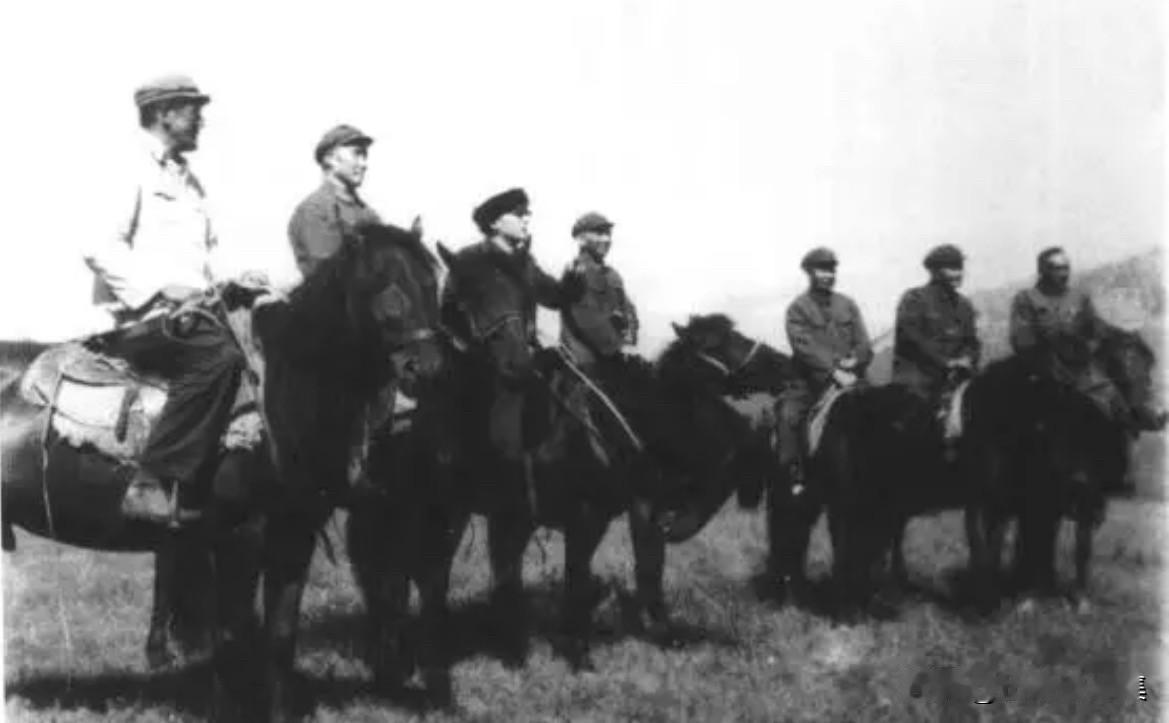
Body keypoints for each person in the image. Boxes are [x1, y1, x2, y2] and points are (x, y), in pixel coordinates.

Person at [82, 74, 246, 523]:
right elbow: (98, 247)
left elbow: (203, 262)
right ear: (163, 114)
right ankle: (150, 480)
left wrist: (234, 283)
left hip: (187, 317)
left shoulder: (191, 183)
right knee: (219, 359)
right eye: (194, 111)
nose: (202, 121)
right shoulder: (127, 166)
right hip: (136, 321)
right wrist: (160, 288)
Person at [440, 188, 583, 492]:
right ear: (494, 223)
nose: (526, 219)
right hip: (482, 360)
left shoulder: (525, 262)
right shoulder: (470, 259)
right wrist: (473, 346)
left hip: (523, 357)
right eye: (518, 215)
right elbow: (447, 311)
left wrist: (572, 285)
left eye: (526, 214)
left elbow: (552, 296)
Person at [1010, 246, 1133, 492]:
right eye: (1056, 268)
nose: (1063, 273)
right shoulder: (1026, 299)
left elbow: (1096, 328)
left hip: (1080, 367)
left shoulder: (1079, 297)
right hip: (1043, 367)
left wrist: (1102, 340)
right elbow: (1021, 339)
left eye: (1066, 267)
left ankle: (1116, 470)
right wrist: (1048, 353)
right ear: (1042, 270)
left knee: (1115, 404)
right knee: (1051, 411)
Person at [778, 247, 873, 482]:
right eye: (822, 271)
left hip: (853, 378)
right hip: (812, 383)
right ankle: (795, 475)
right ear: (809, 273)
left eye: (831, 270)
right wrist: (833, 371)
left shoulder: (847, 304)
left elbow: (863, 342)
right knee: (789, 416)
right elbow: (804, 347)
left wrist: (857, 358)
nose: (828, 276)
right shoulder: (798, 308)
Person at [287, 124, 382, 278]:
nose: (364, 164)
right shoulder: (314, 210)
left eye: (365, 156)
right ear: (330, 158)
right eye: (357, 154)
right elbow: (330, 277)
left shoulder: (369, 214)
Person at [892, 244, 981, 407]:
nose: (958, 274)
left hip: (955, 380)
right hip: (919, 384)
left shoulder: (964, 305)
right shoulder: (914, 299)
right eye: (952, 268)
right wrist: (946, 363)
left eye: (960, 268)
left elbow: (972, 341)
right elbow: (912, 339)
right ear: (935, 272)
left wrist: (967, 359)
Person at [559, 211, 639, 374]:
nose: (606, 239)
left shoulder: (612, 275)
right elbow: (588, 320)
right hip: (585, 364)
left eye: (608, 234)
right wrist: (617, 348)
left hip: (613, 359)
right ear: (581, 239)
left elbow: (629, 311)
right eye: (599, 234)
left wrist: (629, 338)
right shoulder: (576, 273)